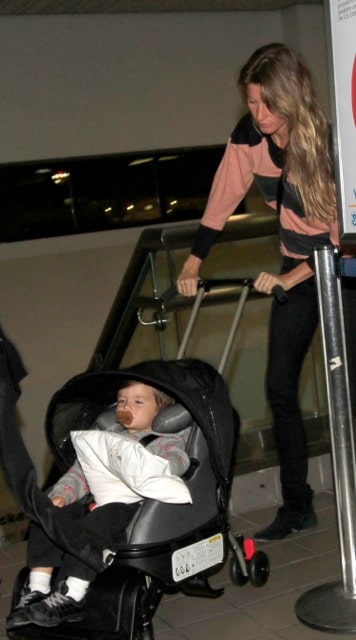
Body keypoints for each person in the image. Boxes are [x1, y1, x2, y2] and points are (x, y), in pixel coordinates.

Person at [176, 42, 356, 541]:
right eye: (250, 103)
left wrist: (291, 277)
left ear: (290, 96)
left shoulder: (329, 143)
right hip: (297, 267)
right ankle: (298, 505)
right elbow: (223, 193)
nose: (257, 114)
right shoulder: (251, 137)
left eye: (265, 104)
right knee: (279, 387)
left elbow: (340, 242)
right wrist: (194, 258)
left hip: (344, 270)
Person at [7, 379, 192, 629]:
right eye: (123, 401)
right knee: (47, 511)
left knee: (101, 519)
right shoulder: (105, 439)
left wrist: (157, 464)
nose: (128, 406)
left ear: (161, 412)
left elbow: (178, 460)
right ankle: (38, 586)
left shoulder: (163, 440)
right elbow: (79, 473)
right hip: (96, 502)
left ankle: (73, 593)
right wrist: (62, 495)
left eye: (138, 402)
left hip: (132, 509)